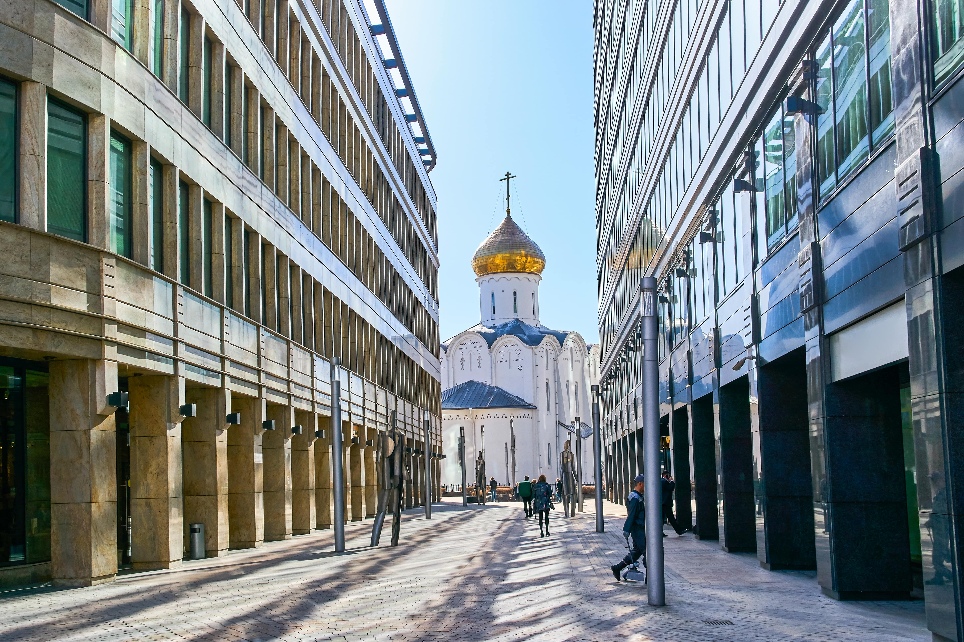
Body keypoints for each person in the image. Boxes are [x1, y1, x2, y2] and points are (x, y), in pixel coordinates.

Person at [610, 474, 646, 581]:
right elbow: (632, 515)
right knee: (648, 552)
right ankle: (651, 577)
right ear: (640, 484)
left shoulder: (636, 496)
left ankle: (617, 567)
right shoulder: (635, 498)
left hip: (638, 528)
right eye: (645, 484)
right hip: (638, 529)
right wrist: (627, 529)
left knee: (637, 552)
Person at [661, 471, 686, 536]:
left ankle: (660, 532)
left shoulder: (661, 481)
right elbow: (670, 488)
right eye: (668, 475)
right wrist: (672, 481)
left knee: (663, 518)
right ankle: (679, 530)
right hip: (666, 503)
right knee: (671, 518)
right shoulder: (664, 482)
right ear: (665, 475)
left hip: (663, 503)